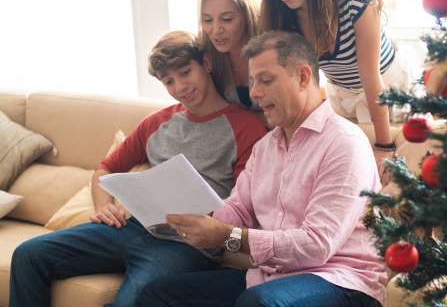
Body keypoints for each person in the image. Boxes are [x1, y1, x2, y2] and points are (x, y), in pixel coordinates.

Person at [9, 31, 267, 307]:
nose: (180, 86)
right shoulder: (156, 123)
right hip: (131, 228)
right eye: (169, 81)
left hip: (185, 245)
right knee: (28, 254)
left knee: (131, 302)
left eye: (185, 72)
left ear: (205, 63)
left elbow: (245, 204)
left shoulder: (245, 126)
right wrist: (103, 205)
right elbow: (106, 168)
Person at [136, 31, 386, 307]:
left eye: (266, 80)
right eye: (253, 81)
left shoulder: (344, 143)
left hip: (341, 280)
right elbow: (239, 208)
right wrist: (196, 217)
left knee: (258, 303)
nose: (254, 92)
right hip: (271, 277)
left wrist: (225, 236)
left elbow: (316, 246)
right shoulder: (266, 146)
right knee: (156, 294)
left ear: (303, 77)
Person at [259, 0, 413, 174]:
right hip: (342, 95)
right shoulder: (284, 13)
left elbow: (370, 77)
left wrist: (384, 146)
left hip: (386, 88)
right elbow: (304, 83)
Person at [198, 0, 259, 110]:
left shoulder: (270, 49)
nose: (216, 30)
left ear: (246, 15)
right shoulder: (205, 56)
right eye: (207, 20)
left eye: (227, 19)